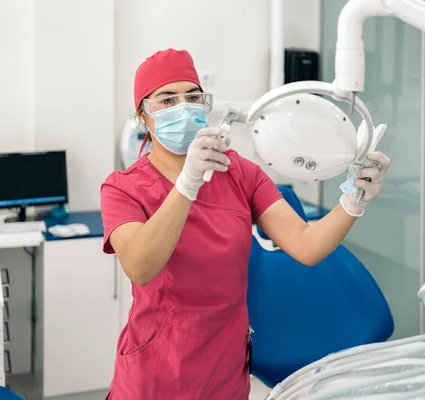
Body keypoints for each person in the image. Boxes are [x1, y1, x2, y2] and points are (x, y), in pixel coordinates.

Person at [100, 48, 391, 400]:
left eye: (193, 96)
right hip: (157, 374)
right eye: (167, 99)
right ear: (143, 117)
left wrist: (352, 201)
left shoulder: (239, 173)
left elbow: (306, 245)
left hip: (226, 370)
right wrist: (187, 184)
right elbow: (141, 267)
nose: (184, 107)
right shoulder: (122, 187)